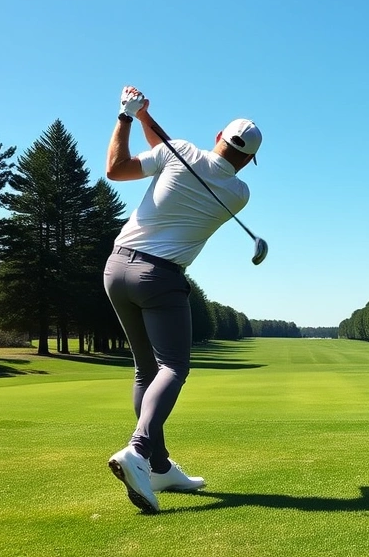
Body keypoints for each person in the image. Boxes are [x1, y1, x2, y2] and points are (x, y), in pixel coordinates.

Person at [103, 85, 262, 513]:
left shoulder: (182, 153)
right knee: (173, 367)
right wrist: (145, 120)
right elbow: (180, 157)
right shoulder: (239, 193)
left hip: (116, 268)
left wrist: (129, 115)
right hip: (160, 277)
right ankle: (137, 450)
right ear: (249, 160)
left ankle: (158, 466)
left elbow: (117, 169)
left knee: (147, 370)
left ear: (217, 136)